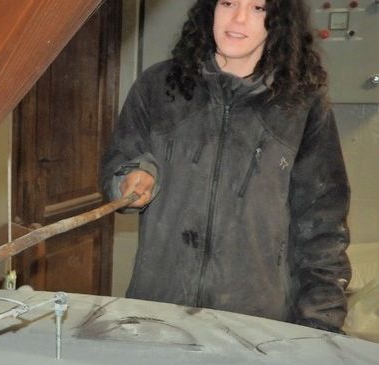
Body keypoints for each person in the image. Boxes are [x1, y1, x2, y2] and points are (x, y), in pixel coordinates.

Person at [101, 0, 351, 332]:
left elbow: (322, 224)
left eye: (258, 8)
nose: (238, 18)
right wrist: (129, 176)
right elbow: (121, 158)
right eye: (228, 2)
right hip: (158, 313)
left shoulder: (302, 104)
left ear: (280, 19)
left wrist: (322, 323)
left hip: (256, 323)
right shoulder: (158, 86)